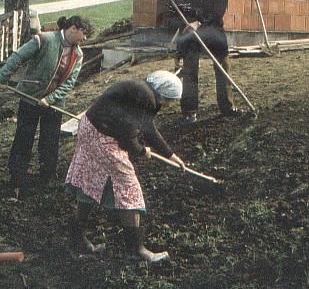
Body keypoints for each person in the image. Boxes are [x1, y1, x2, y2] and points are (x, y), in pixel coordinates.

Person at [65, 70, 185, 263]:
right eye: (170, 101)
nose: (169, 105)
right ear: (164, 95)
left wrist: (171, 155)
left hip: (90, 129)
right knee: (129, 187)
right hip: (103, 137)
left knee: (90, 180)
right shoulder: (145, 98)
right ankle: (136, 250)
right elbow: (127, 134)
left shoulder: (142, 90)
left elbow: (147, 127)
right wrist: (140, 150)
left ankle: (76, 239)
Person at [0, 15, 93, 196]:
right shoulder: (45, 39)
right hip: (30, 97)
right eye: (84, 33)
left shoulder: (78, 55)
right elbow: (18, 56)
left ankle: (46, 178)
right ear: (73, 28)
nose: (85, 38)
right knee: (24, 137)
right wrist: (3, 77)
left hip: (54, 104)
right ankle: (16, 177)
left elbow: (68, 83)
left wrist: (50, 100)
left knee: (50, 140)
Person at [162, 0, 240, 123]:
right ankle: (190, 111)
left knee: (223, 67)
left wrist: (199, 22)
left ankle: (227, 107)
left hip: (213, 29)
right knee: (190, 70)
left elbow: (217, 12)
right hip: (191, 32)